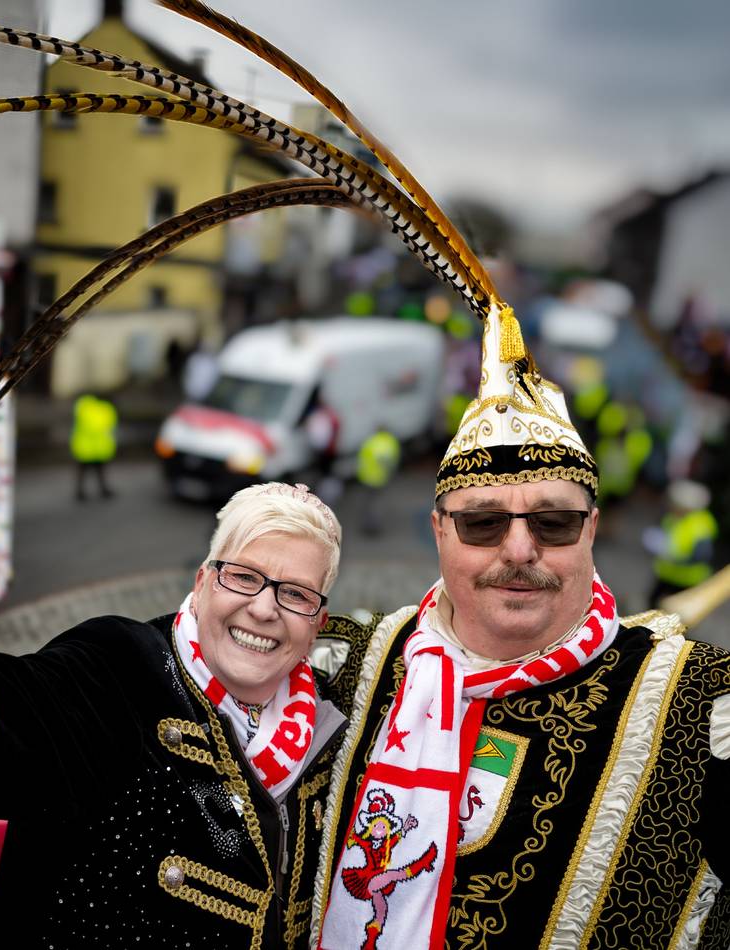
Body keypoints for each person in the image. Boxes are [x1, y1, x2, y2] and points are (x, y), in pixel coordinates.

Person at [0, 481, 358, 949]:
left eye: (296, 594)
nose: (263, 609)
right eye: (244, 576)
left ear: (317, 620)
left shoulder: (337, 730)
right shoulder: (120, 669)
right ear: (204, 580)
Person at [312, 310, 730, 948]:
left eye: (553, 523)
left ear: (590, 530)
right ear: (438, 532)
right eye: (482, 523)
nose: (518, 550)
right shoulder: (350, 665)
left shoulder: (699, 704)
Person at [646, 478, 719, 605]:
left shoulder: (701, 525)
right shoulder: (674, 517)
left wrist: (675, 558)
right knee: (653, 602)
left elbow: (702, 556)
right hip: (667, 572)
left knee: (677, 611)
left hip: (686, 579)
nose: (671, 506)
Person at [70, 393, 117, 500]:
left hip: (84, 446)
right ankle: (103, 490)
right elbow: (111, 428)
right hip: (100, 446)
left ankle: (80, 492)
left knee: (83, 471)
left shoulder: (83, 406)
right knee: (100, 471)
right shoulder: (107, 409)